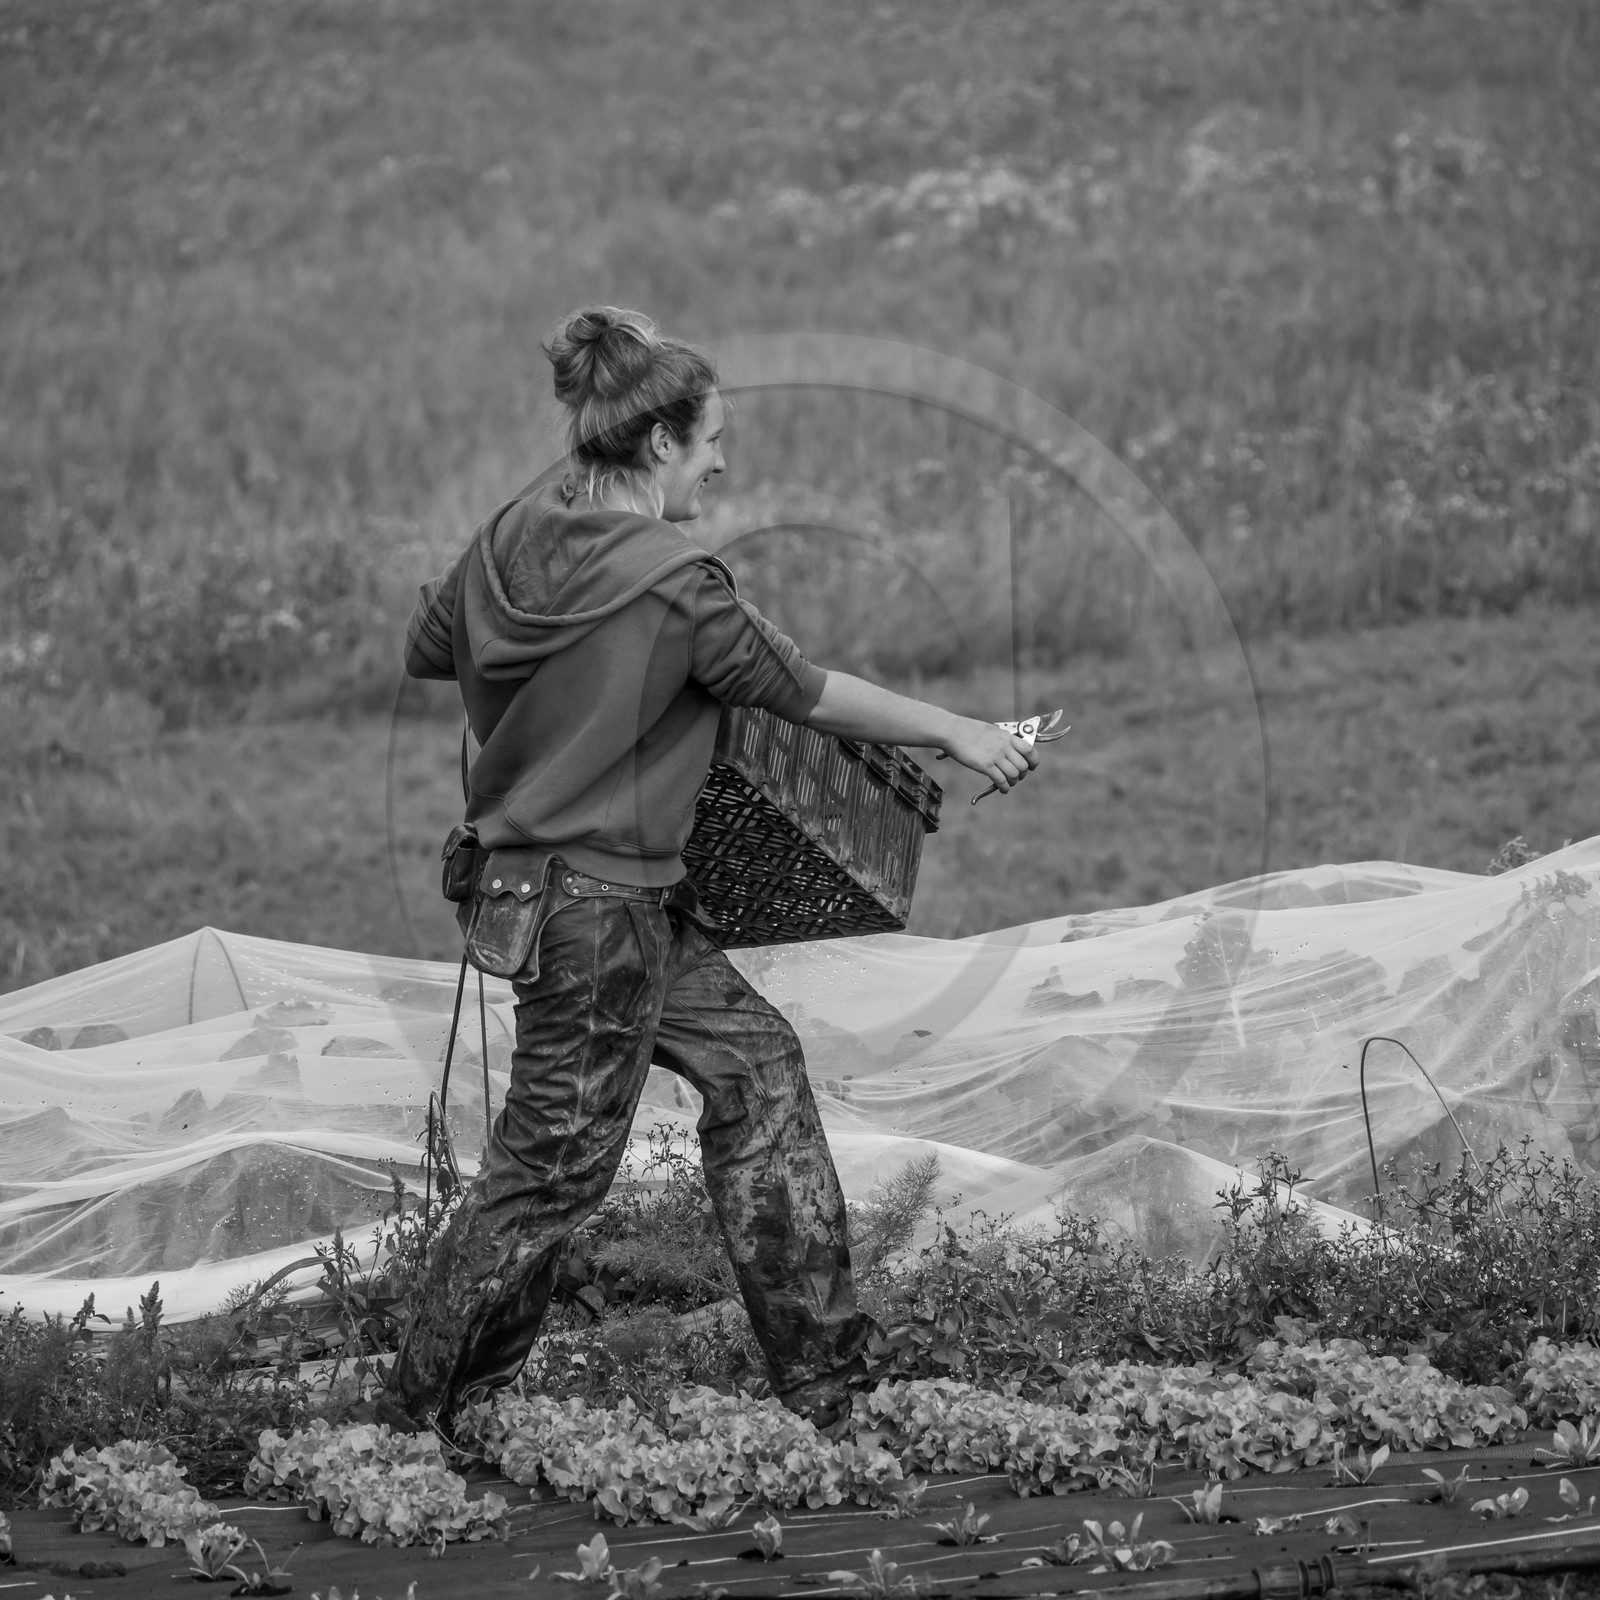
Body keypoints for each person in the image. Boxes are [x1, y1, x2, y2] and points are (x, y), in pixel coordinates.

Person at [385, 305, 1038, 1439]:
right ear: (655, 445)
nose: (724, 462)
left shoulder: (509, 535)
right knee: (549, 1174)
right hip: (597, 914)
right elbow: (805, 691)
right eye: (710, 440)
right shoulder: (676, 582)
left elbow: (430, 646)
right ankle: (418, 1416)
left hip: (566, 896)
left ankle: (829, 1388)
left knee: (757, 1071)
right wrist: (962, 730)